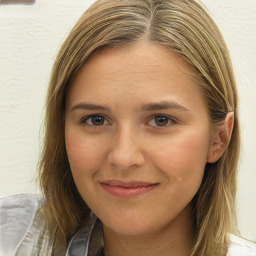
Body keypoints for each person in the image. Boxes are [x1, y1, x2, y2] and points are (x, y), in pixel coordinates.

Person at [0, 0, 256, 255]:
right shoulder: (14, 239)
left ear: (219, 139)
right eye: (96, 120)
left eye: (161, 120)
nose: (123, 157)